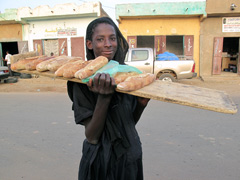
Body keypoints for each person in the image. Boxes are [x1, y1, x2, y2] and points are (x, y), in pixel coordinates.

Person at [67, 17, 150, 180]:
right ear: (90, 44)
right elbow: (92, 136)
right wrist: (104, 98)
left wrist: (141, 105)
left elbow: (127, 122)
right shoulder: (81, 81)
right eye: (100, 39)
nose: (108, 44)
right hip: (101, 162)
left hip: (129, 157)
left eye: (112, 38)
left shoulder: (125, 74)